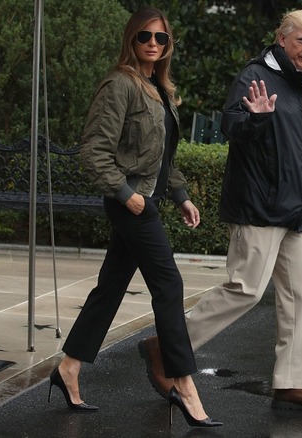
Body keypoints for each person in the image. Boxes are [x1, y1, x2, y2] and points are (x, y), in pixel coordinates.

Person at [137, 9, 302, 414]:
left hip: (299, 210)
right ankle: (165, 347)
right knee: (245, 290)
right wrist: (258, 120)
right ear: (282, 39)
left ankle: (294, 383)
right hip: (259, 205)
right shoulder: (255, 75)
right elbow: (232, 127)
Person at [47, 7, 222, 428]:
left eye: (161, 39)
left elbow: (162, 157)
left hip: (148, 200)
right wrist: (127, 196)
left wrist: (180, 195)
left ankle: (68, 367)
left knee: (110, 288)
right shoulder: (119, 85)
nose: (153, 44)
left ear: (167, 46)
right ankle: (183, 383)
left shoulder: (158, 88)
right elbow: (93, 151)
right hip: (131, 203)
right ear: (132, 39)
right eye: (145, 36)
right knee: (169, 283)